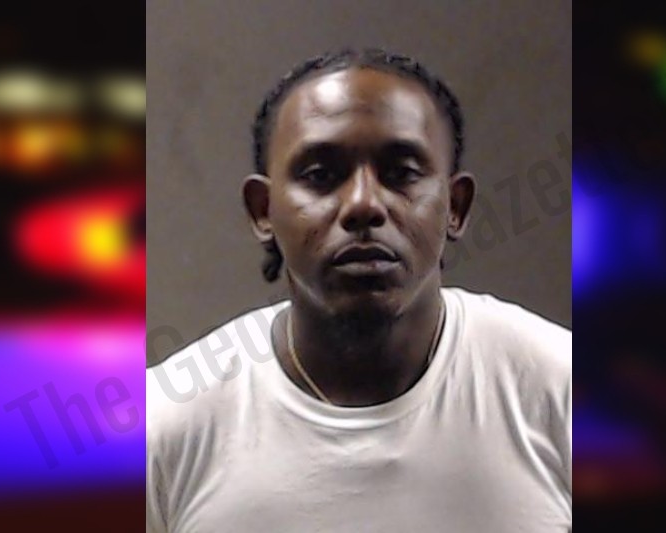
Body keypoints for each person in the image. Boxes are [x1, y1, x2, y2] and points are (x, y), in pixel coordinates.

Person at [147, 48, 571, 532]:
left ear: (455, 206)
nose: (364, 204)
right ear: (263, 210)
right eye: (321, 176)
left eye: (401, 173)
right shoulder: (163, 426)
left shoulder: (563, 394)